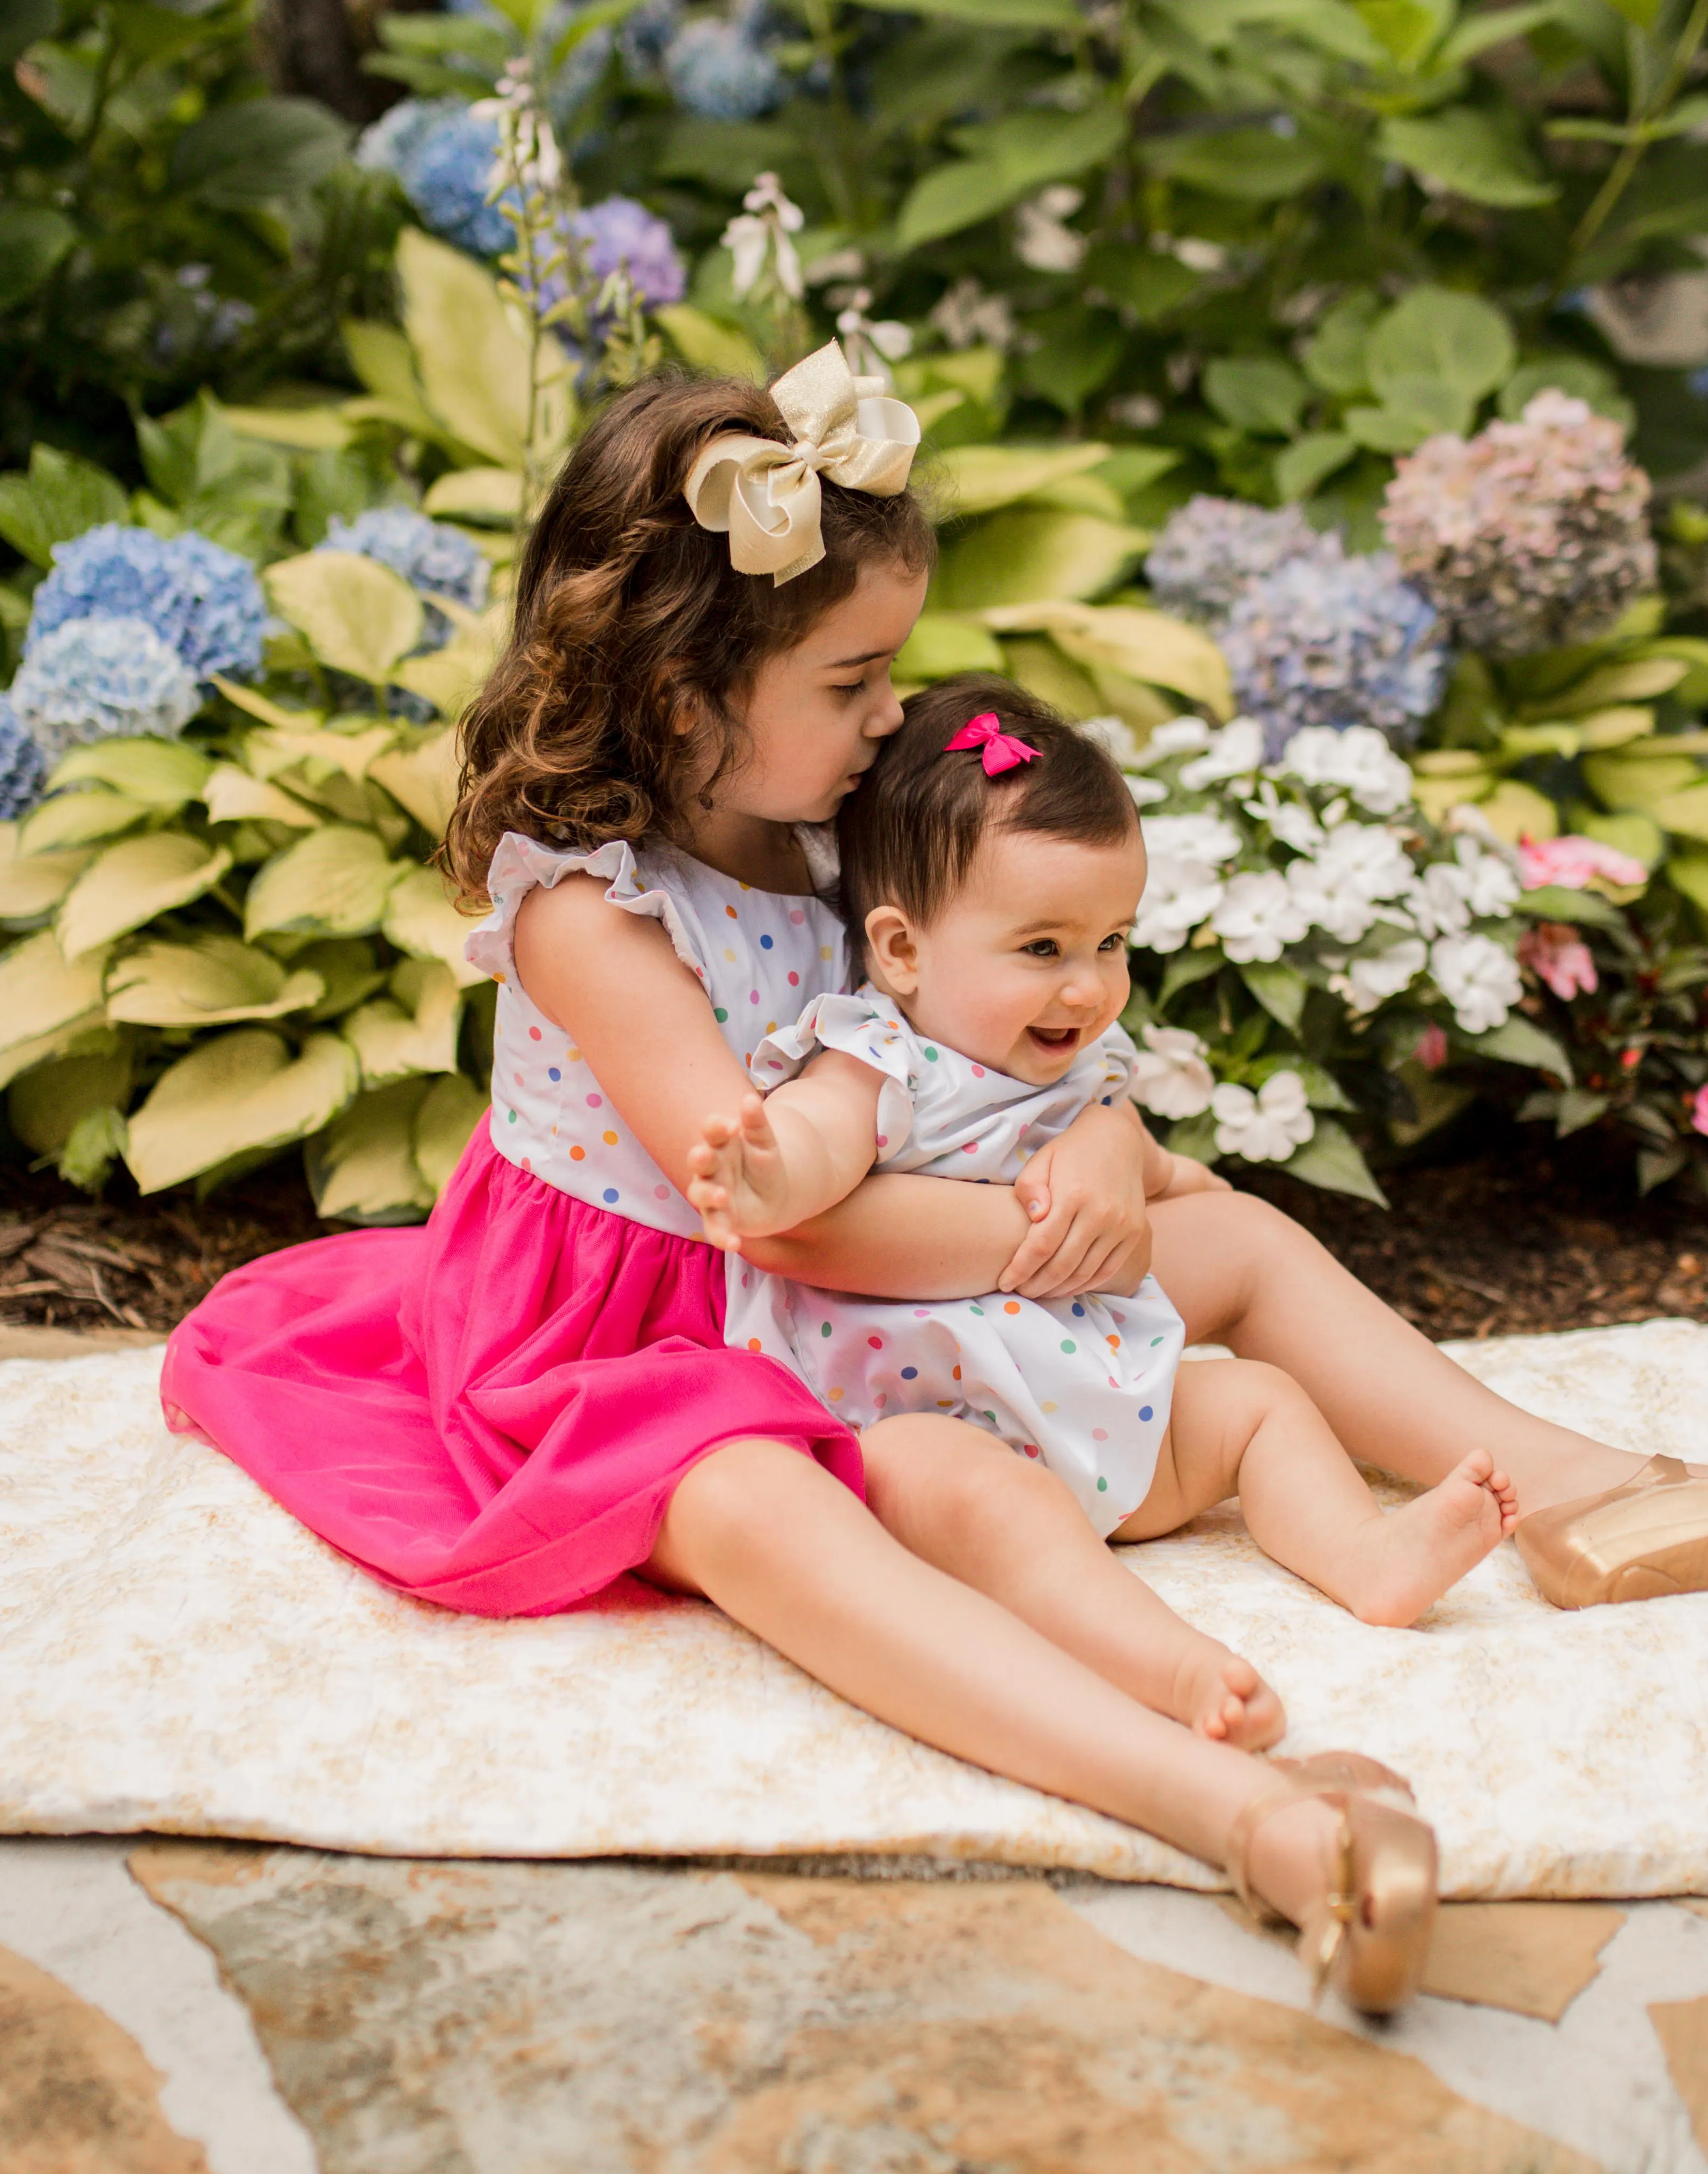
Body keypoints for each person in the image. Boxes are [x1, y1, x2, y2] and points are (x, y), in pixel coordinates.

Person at [159, 347, 1440, 2011]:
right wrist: (1044, 1233)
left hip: (863, 1292)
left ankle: (1579, 1494)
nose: (893, 714)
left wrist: (1108, 1145)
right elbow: (778, 1205)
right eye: (853, 681)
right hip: (630, 1344)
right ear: (692, 698)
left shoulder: (842, 831)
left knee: (1238, 1233)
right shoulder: (586, 911)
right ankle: (1236, 1810)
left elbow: (996, 1032)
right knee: (758, 1501)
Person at [689, 673, 1521, 1631]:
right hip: (941, 1427)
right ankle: (1105, 1636)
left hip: (1107, 1422)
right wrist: (766, 1172)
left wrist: (1170, 1176)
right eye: (1043, 949)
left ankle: (1364, 1556)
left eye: (1113, 942)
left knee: (1259, 1405)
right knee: (960, 1488)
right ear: (903, 950)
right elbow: (822, 1142)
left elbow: (1148, 1161)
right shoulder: (881, 1058)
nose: (1088, 989)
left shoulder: (1082, 1058)